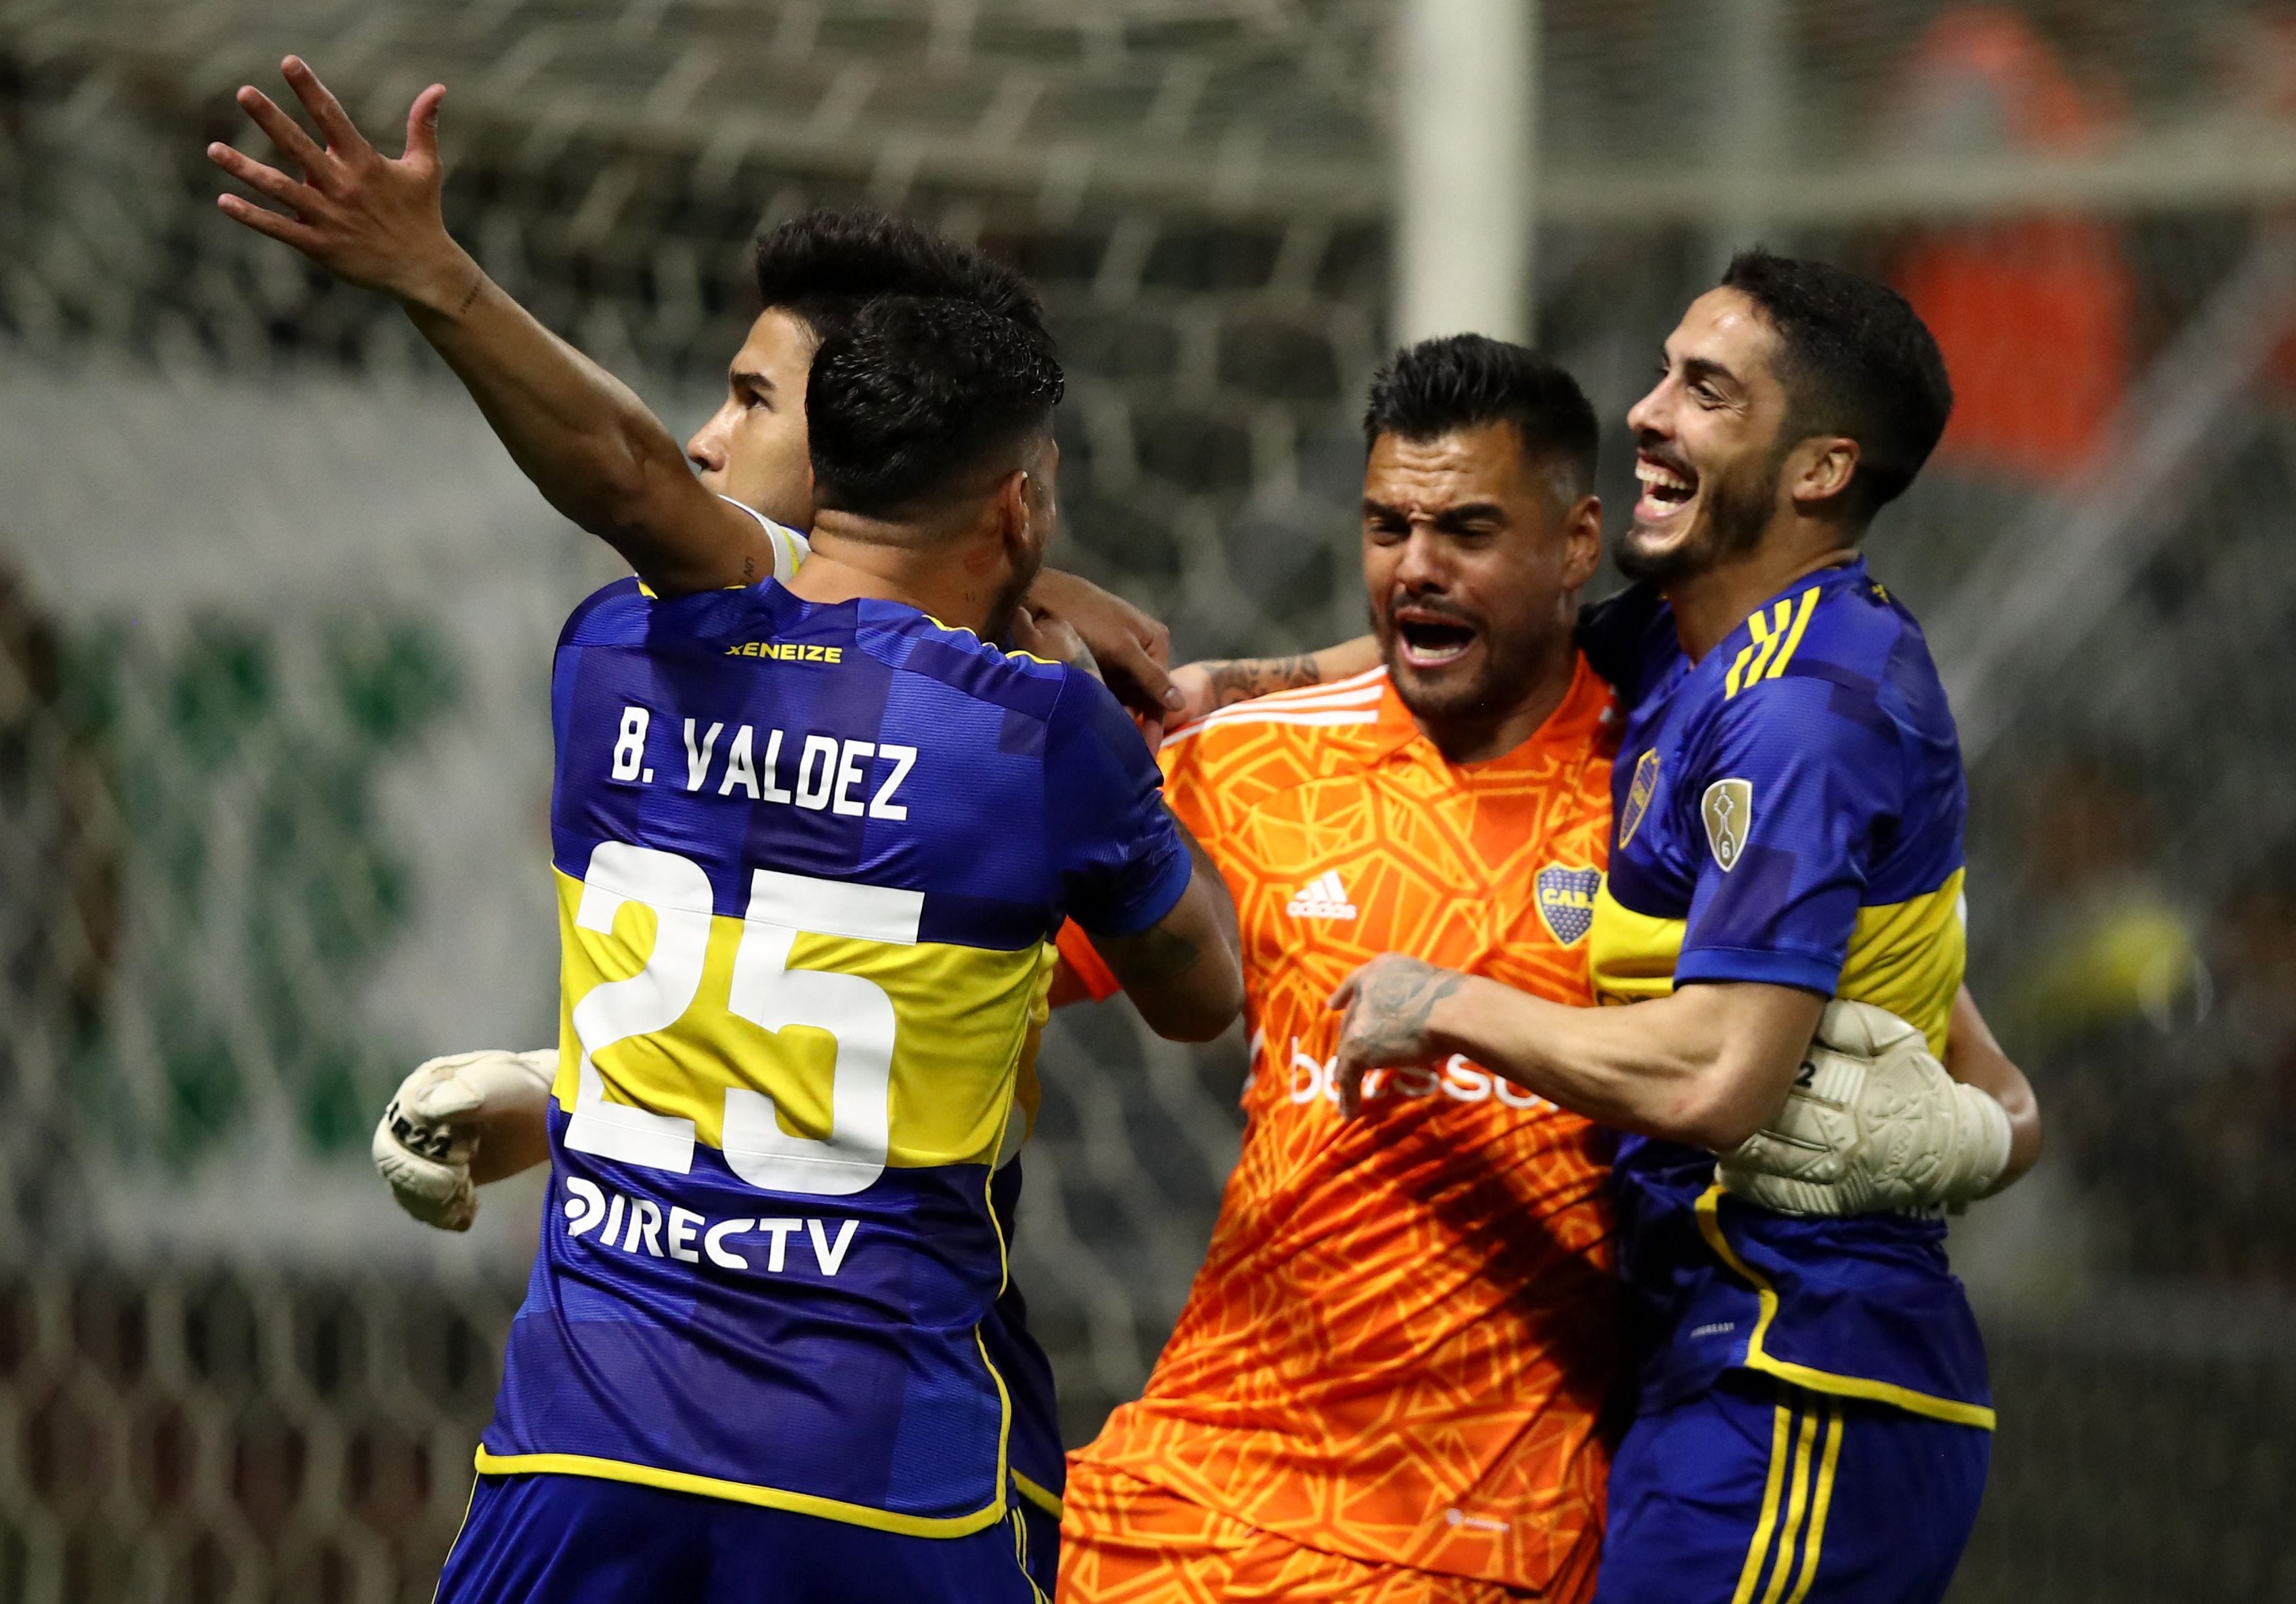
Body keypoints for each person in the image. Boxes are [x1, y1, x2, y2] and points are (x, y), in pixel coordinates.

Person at [214, 66, 1245, 1604]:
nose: (700, 436)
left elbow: (638, 491)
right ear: (1011, 499)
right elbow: (1175, 986)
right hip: (884, 1467)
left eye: (751, 399)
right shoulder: (1048, 737)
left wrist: (572, 1100)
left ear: (849, 448)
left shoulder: (606, 654)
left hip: (591, 1440)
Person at [1324, 253, 2041, 1604]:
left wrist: (1443, 1001)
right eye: (1662, 371)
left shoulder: (1806, 708)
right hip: (1710, 1361)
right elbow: (1468, 635)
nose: (1647, 411)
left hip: (1802, 1379)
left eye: (1706, 391)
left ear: (1821, 470)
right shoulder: (1682, 643)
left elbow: (1718, 1078)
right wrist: (1204, 678)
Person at [1056, 335, 1621, 1603]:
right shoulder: (1245, 759)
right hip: (1186, 1499)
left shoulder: (1672, 781)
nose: (1415, 566)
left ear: (1577, 544)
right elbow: (949, 975)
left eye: (1467, 529)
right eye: (1387, 525)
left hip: (1484, 1540)